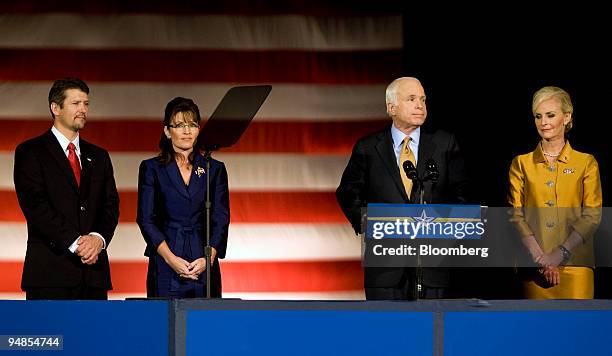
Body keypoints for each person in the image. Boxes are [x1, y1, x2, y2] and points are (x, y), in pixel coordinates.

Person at [336, 77, 469, 300]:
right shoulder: (368, 147)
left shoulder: (445, 143)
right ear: (392, 107)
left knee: (431, 333)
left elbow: (463, 193)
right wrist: (369, 222)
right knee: (388, 332)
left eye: (423, 99)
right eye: (411, 99)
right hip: (385, 269)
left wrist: (447, 230)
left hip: (432, 266)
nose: (420, 105)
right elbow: (348, 192)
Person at [13, 78, 120, 300]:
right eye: (76, 103)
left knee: (94, 336)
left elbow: (110, 206)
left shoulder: (99, 157)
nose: (83, 110)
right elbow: (35, 206)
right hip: (49, 275)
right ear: (55, 107)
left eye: (86, 104)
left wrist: (97, 239)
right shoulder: (30, 152)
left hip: (93, 275)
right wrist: (77, 243)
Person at [508, 86, 602, 299]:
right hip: (533, 268)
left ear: (567, 117)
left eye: (550, 115)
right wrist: (540, 258)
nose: (543, 122)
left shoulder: (586, 162)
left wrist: (561, 253)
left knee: (578, 330)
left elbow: (592, 216)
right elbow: (515, 215)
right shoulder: (521, 163)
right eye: (538, 116)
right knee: (536, 330)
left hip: (575, 266)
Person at [137, 97, 230, 298]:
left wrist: (209, 257)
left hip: (204, 259)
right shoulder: (152, 168)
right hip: (165, 261)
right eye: (179, 125)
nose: (187, 131)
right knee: (165, 325)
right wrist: (171, 260)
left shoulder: (213, 169)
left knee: (206, 325)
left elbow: (221, 219)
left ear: (198, 129)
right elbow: (146, 219)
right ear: (167, 131)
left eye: (192, 125)